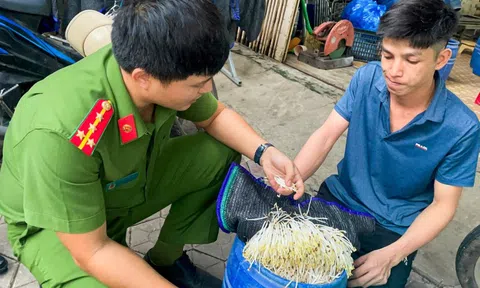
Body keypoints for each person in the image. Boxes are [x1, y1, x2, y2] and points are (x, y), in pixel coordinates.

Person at [0, 1, 305, 287]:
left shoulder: (153, 65)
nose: (206, 90)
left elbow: (214, 117)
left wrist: (265, 152)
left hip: (121, 187)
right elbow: (91, 251)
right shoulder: (63, 134)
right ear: (143, 77)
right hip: (58, 226)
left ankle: (166, 260)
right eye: (198, 85)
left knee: (219, 150)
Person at [294, 0, 480, 287]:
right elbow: (327, 134)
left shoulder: (461, 127)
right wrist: (294, 178)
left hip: (395, 228)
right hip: (342, 198)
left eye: (411, 60)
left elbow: (444, 205)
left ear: (441, 59)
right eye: (387, 56)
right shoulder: (367, 79)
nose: (394, 71)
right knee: (296, 270)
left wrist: (393, 254)